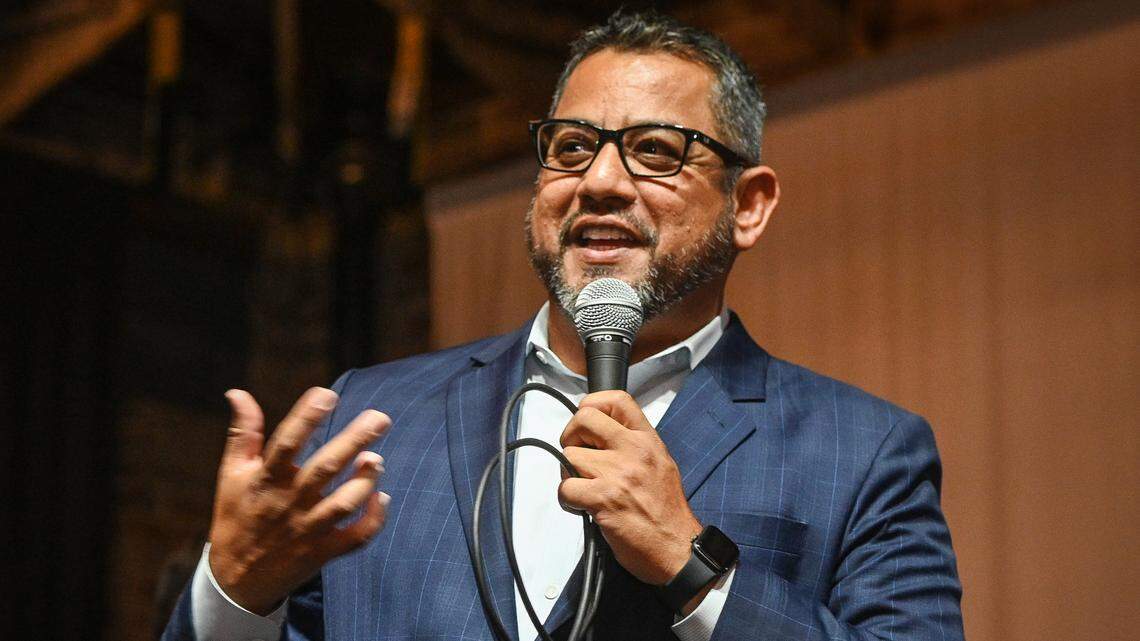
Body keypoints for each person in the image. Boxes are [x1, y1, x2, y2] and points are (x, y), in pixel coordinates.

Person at [163, 10, 963, 641]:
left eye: (656, 150)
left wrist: (694, 568)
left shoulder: (865, 451)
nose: (600, 180)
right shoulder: (375, 415)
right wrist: (236, 590)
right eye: (573, 146)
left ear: (748, 205)